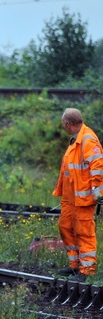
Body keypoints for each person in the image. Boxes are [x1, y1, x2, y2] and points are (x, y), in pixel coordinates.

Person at [53, 108, 103, 282]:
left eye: (63, 125)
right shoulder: (76, 140)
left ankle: (87, 270)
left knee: (84, 232)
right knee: (65, 226)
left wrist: (97, 192)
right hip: (70, 197)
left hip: (82, 198)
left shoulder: (88, 140)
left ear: (68, 124)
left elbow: (97, 167)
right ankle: (75, 265)